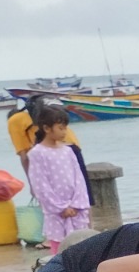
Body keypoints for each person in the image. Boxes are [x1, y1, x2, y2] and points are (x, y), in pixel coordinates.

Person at [25, 107, 91, 251]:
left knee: (83, 247)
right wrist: (60, 207)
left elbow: (79, 179)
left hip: (76, 210)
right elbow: (40, 185)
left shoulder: (68, 151)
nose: (64, 132)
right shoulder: (37, 154)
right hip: (56, 214)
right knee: (60, 250)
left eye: (65, 128)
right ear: (47, 128)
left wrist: (76, 205)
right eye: (61, 128)